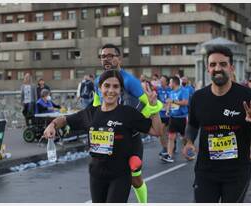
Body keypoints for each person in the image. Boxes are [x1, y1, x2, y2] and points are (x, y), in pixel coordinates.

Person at [43, 70, 162, 203]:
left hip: (120, 174)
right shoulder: (90, 113)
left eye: (115, 87)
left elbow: (156, 131)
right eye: (107, 86)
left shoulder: (128, 113)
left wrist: (154, 108)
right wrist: (52, 125)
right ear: (100, 88)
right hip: (97, 174)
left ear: (121, 90)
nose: (111, 90)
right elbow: (64, 119)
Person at [182, 45, 251, 203]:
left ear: (231, 68)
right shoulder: (199, 97)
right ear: (208, 69)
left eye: (223, 64)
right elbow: (193, 125)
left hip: (237, 173)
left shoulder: (248, 96)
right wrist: (188, 142)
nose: (217, 68)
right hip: (205, 171)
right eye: (213, 64)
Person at [92, 44, 163, 203]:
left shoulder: (129, 80)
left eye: (111, 55)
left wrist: (129, 122)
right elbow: (96, 107)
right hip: (107, 138)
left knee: (134, 178)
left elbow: (147, 106)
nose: (107, 59)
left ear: (119, 58)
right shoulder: (98, 81)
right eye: (103, 56)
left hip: (130, 138)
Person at [161, 76, 189, 162]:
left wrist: (172, 101)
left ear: (174, 83)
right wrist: (167, 110)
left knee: (185, 138)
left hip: (182, 118)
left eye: (170, 82)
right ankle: (169, 155)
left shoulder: (184, 91)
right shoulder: (171, 92)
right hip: (173, 118)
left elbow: (185, 102)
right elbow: (170, 102)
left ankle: (189, 151)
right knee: (171, 137)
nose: (169, 84)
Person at [156, 75, 172, 157]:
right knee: (161, 131)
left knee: (169, 132)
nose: (161, 82)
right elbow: (156, 99)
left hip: (170, 114)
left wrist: (168, 105)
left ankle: (171, 144)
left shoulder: (171, 89)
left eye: (162, 81)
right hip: (161, 114)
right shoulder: (158, 89)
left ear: (166, 82)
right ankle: (165, 148)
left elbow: (173, 100)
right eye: (160, 80)